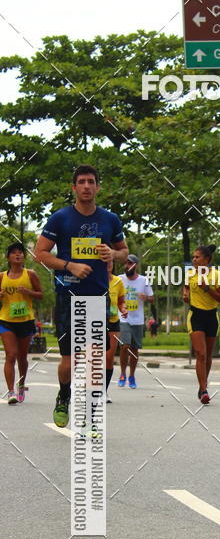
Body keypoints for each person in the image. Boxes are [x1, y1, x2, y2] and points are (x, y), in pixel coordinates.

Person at [33, 165, 128, 426]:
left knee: (94, 358)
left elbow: (124, 252)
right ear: (73, 187)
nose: (87, 186)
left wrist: (113, 254)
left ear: (98, 187)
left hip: (97, 298)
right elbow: (40, 253)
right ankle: (64, 394)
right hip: (68, 297)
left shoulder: (110, 219)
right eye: (82, 182)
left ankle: (90, 415)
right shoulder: (60, 219)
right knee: (70, 360)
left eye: (91, 182)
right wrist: (69, 265)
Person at [183, 244, 220, 403]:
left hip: (211, 317)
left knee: (207, 355)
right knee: (200, 354)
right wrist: (186, 295)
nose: (194, 260)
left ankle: (202, 387)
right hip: (195, 315)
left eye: (197, 257)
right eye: (193, 257)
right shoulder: (190, 274)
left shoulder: (216, 275)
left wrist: (207, 288)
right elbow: (186, 288)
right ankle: (204, 390)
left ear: (206, 260)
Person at [0, 242, 43, 403]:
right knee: (10, 355)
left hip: (26, 320)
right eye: (14, 253)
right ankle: (11, 392)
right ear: (8, 257)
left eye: (20, 253)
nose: (18, 255)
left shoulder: (30, 274)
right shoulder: (2, 276)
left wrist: (28, 292)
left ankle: (21, 385)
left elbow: (41, 295)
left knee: (22, 357)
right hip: (6, 320)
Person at [117, 254, 153, 389]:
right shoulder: (120, 279)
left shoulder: (144, 280)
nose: (126, 265)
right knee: (124, 346)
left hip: (137, 320)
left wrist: (146, 297)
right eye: (125, 263)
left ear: (135, 265)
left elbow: (151, 297)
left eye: (129, 263)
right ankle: (122, 374)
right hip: (123, 317)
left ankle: (131, 375)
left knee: (134, 349)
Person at [106, 258, 127, 401]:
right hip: (94, 322)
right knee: (93, 359)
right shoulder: (92, 279)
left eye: (110, 262)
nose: (108, 265)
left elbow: (121, 301)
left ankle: (103, 391)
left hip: (113, 322)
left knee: (108, 358)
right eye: (105, 262)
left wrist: (123, 309)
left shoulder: (118, 282)